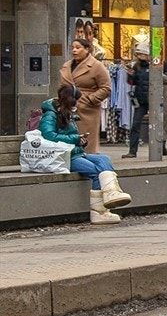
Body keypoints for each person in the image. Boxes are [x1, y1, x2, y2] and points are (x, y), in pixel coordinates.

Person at [38, 83, 133, 224]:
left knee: (103, 159)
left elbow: (68, 136)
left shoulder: (66, 113)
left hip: (75, 152)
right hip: (63, 157)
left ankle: (111, 193)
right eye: (77, 100)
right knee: (95, 172)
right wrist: (75, 139)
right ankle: (99, 212)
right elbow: (48, 136)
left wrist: (81, 141)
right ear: (72, 100)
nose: (78, 103)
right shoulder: (51, 115)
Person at [59, 37, 112, 155]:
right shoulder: (67, 66)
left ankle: (88, 158)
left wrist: (90, 99)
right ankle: (70, 158)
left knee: (86, 140)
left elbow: (106, 88)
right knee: (68, 136)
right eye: (72, 48)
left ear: (87, 49)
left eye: (78, 48)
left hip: (87, 110)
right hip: (67, 106)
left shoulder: (96, 66)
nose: (74, 51)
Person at [124, 44, 152, 158]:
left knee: (159, 124)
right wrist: (130, 76)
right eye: (138, 54)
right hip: (140, 99)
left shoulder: (154, 66)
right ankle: (132, 150)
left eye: (142, 54)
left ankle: (163, 148)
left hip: (151, 99)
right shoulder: (137, 66)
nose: (140, 56)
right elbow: (132, 82)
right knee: (135, 125)